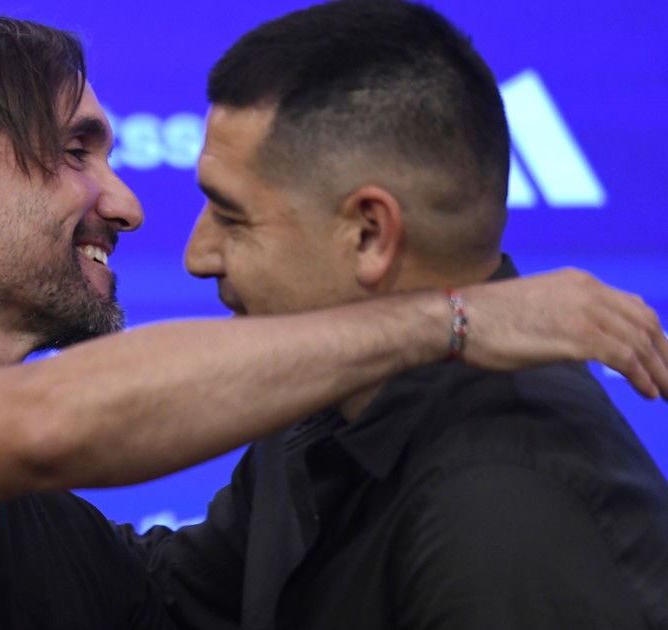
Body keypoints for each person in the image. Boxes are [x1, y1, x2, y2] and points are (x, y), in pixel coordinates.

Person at [0, 7, 668, 629]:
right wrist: (454, 318)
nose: (128, 205)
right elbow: (49, 424)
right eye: (76, 150)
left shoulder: (55, 542)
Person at [122, 1, 668, 629]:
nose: (197, 256)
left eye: (231, 216)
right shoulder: (331, 400)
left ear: (369, 235)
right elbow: (168, 596)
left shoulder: (502, 508)